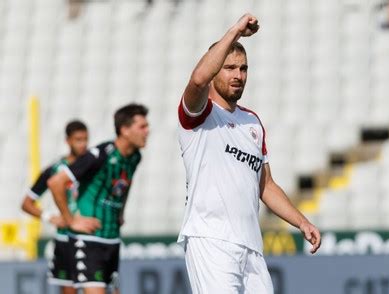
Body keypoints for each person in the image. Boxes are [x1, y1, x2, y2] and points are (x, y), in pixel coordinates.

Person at [177, 14, 321, 293]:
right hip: (211, 239)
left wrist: (301, 221)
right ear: (216, 70)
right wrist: (235, 32)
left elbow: (265, 185)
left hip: (251, 246)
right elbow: (197, 81)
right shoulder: (200, 115)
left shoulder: (251, 122)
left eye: (243, 69)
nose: (238, 75)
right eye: (229, 67)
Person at [47, 104, 149, 294]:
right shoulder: (99, 154)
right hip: (88, 239)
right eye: (142, 126)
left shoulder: (135, 157)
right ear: (125, 130)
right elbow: (55, 183)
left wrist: (121, 212)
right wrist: (71, 220)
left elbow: (125, 183)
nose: (147, 131)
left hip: (112, 239)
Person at [21, 120, 89, 294]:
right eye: (78, 140)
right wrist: (50, 217)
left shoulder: (94, 164)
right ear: (68, 141)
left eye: (85, 139)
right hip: (66, 239)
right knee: (68, 289)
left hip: (92, 238)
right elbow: (27, 204)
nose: (82, 144)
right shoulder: (55, 169)